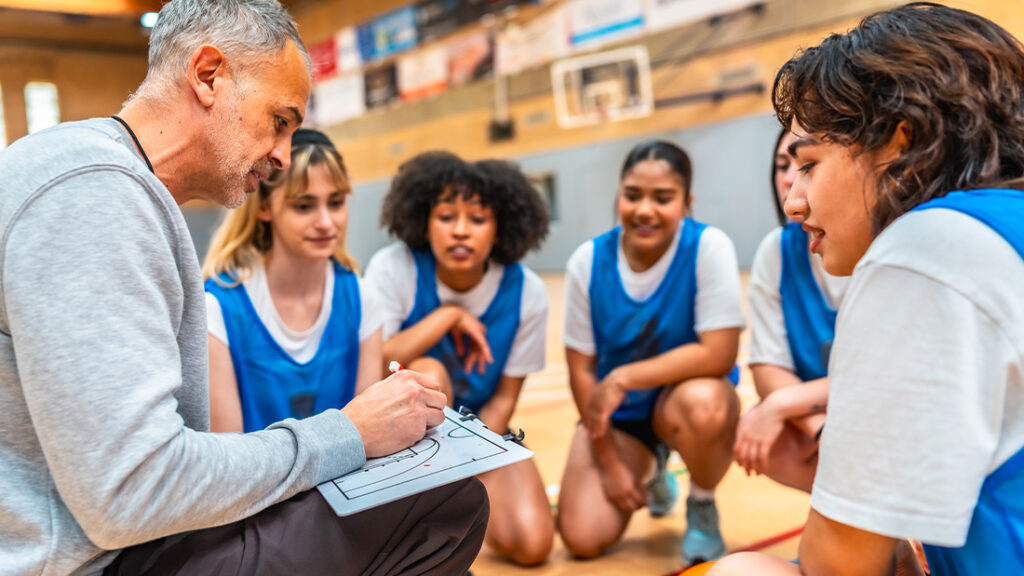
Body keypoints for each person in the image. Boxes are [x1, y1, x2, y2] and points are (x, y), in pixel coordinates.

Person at [0, 1, 487, 575]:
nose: (282, 156)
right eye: (279, 121)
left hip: (125, 541)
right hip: (96, 561)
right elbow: (133, 492)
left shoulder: (97, 178)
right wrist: (348, 433)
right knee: (447, 505)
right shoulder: (94, 190)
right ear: (208, 76)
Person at [709, 3, 1024, 575]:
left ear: (900, 145)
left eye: (808, 165)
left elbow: (835, 569)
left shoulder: (921, 250)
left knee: (742, 571)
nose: (793, 200)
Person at [557, 140, 745, 566]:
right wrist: (609, 461)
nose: (645, 210)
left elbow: (719, 354)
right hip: (620, 419)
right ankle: (654, 471)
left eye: (663, 198)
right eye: (632, 195)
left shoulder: (708, 247)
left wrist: (623, 377)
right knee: (582, 537)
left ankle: (701, 504)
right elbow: (581, 372)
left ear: (686, 203)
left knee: (708, 404)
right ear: (618, 195)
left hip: (683, 405)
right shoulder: (587, 261)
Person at [363, 152, 555, 566]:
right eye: (447, 217)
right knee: (427, 375)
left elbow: (505, 398)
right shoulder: (394, 267)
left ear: (500, 226)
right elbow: (378, 362)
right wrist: (448, 315)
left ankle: (454, 503)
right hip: (401, 443)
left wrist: (473, 466)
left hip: (481, 435)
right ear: (424, 221)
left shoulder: (527, 292)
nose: (461, 232)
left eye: (478, 219)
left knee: (534, 544)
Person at [202, 128, 382, 433]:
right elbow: (227, 457)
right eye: (304, 206)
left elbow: (373, 436)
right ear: (264, 208)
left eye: (336, 202)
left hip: (348, 480)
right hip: (255, 480)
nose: (326, 222)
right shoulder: (217, 309)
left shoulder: (362, 298)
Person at [732, 129, 850, 492]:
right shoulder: (777, 251)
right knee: (760, 430)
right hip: (827, 418)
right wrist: (821, 430)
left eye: (805, 164)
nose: (788, 178)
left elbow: (888, 377)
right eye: (782, 165)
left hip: (885, 417)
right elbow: (769, 371)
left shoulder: (882, 247)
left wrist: (783, 404)